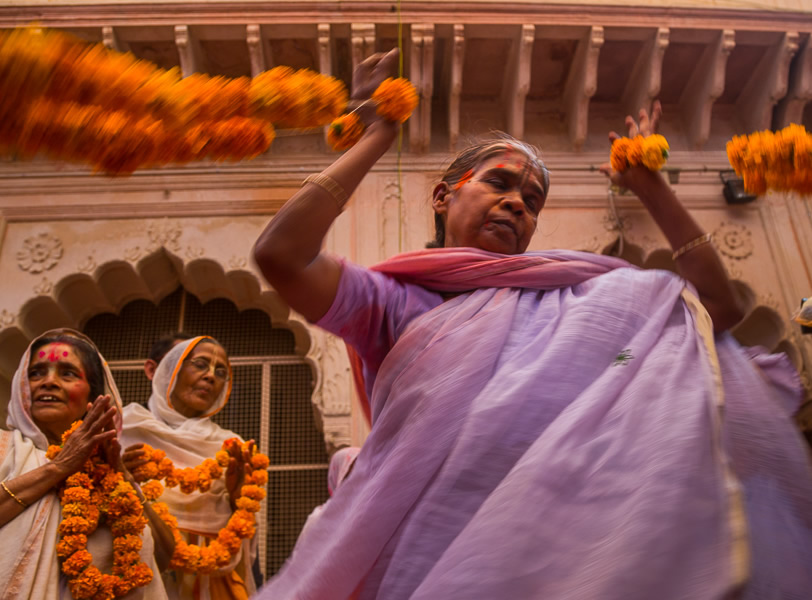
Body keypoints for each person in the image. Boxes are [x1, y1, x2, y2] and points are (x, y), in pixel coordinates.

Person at [251, 48, 812, 599]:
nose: (518, 203)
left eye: (532, 199)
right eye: (498, 183)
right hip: (426, 566)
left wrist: (652, 189)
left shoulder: (585, 295)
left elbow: (718, 305)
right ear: (444, 196)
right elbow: (282, 255)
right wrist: (376, 138)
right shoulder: (394, 302)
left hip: (567, 560)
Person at [0, 329, 174, 599]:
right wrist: (57, 469)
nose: (48, 382)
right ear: (23, 389)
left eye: (68, 373)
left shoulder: (108, 472)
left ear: (92, 399)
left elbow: (163, 559)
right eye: (36, 373)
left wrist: (124, 477)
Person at [120, 336, 256, 600]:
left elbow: (244, 536)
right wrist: (116, 479)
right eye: (199, 364)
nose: (210, 377)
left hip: (211, 584)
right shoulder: (123, 430)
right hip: (134, 577)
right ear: (154, 370)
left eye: (220, 372)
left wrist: (237, 498)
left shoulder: (231, 447)